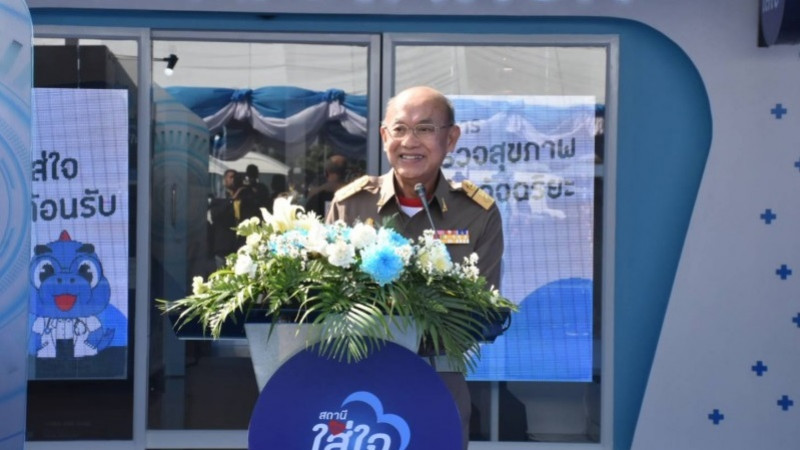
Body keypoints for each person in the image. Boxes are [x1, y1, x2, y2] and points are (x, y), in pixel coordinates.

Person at [326, 86, 503, 449]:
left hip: (438, 382)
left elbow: (479, 309)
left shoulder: (477, 212)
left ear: (451, 138)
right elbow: (326, 303)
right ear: (383, 136)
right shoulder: (350, 206)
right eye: (400, 129)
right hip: (356, 383)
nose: (410, 141)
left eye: (425, 129)